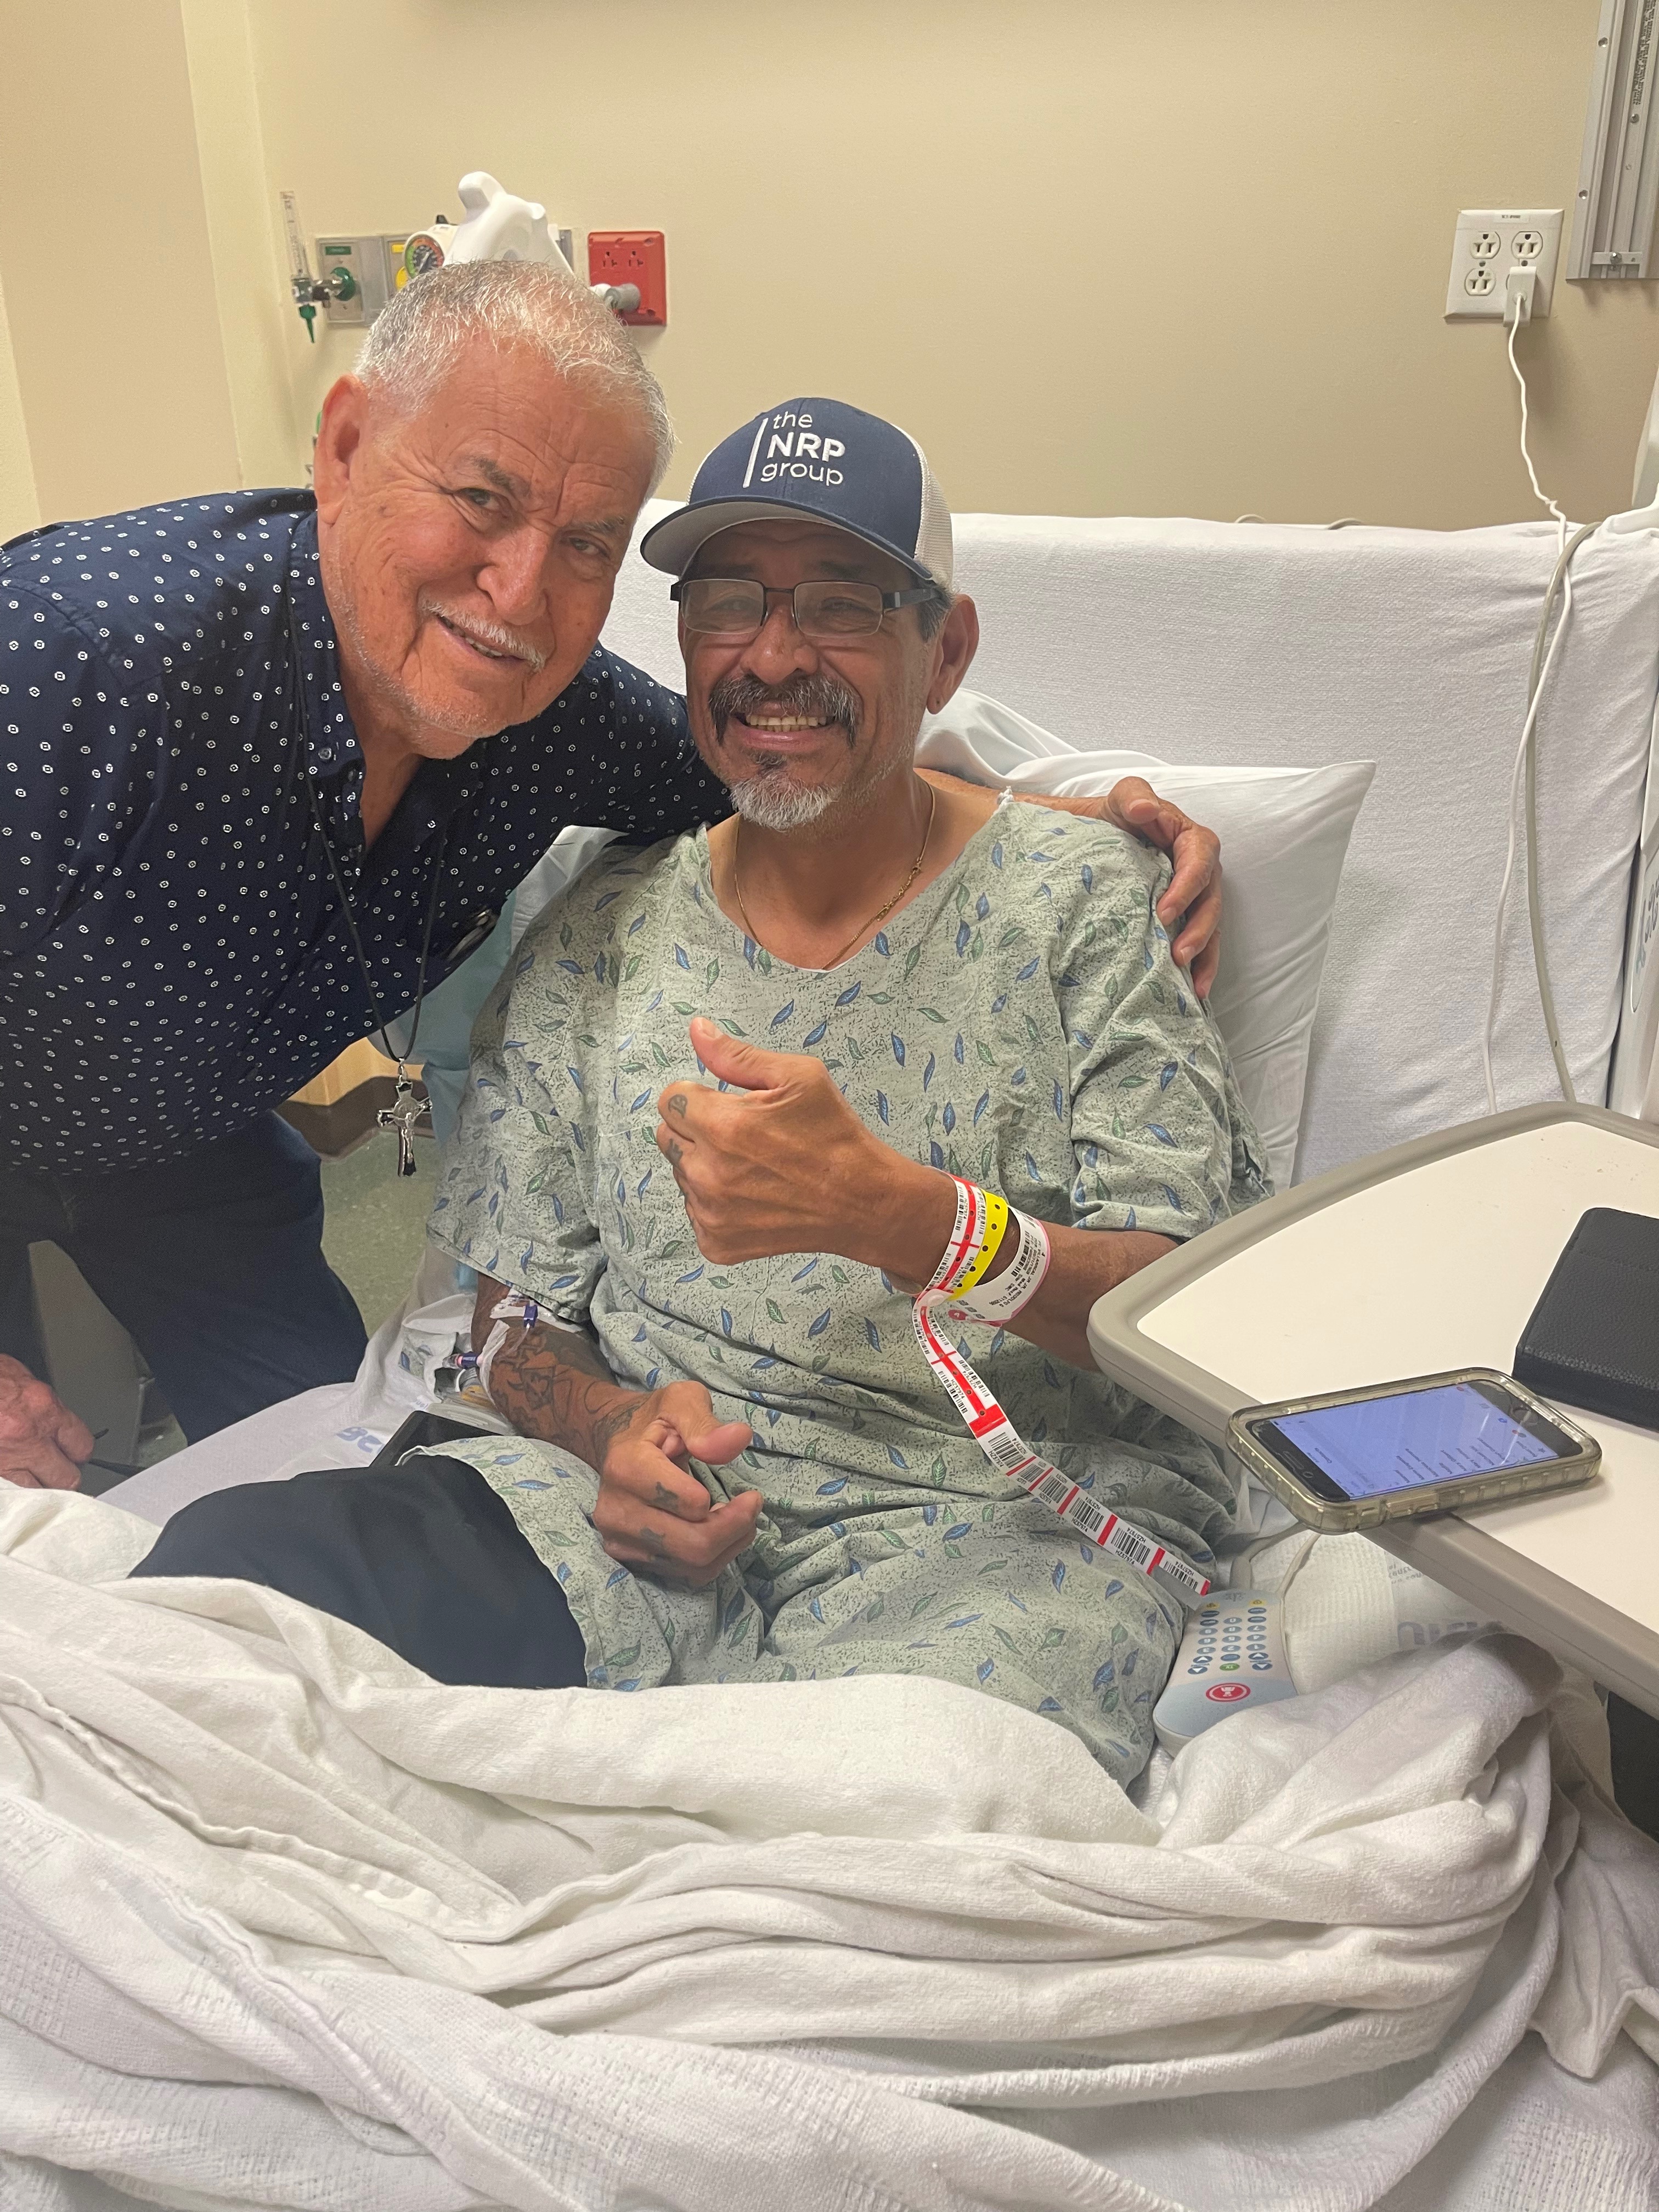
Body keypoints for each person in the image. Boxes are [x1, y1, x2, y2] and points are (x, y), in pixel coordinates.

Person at [133, 398, 1267, 1781]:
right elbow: (513, 1319)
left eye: (840, 604)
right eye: (731, 602)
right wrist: (611, 1426)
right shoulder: (602, 930)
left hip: (992, 1537)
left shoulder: (1084, 906)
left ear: (947, 651)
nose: (774, 657)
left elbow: (1190, 1315)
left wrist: (912, 1223)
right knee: (221, 1587)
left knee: (876, 1825)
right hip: (636, 1530)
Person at [0, 267, 1225, 1486]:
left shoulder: (546, 711)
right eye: (481, 498)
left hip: (188, 1152)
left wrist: (1063, 819)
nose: (520, 591)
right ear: (345, 448)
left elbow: (780, 762)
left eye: (586, 543)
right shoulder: (63, 667)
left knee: (304, 1479)